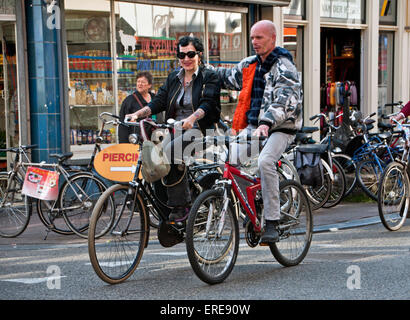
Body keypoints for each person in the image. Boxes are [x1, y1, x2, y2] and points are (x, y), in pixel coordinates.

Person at [215, 20, 303, 244]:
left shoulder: (285, 67)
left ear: (272, 39)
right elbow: (227, 78)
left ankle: (272, 221)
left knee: (265, 161)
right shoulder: (250, 65)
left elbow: (286, 100)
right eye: (252, 37)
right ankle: (252, 204)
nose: (254, 41)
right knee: (229, 161)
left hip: (281, 127)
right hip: (254, 128)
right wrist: (199, 70)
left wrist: (266, 122)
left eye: (259, 37)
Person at [126, 36, 221, 222]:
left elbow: (209, 103)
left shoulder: (209, 76)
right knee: (154, 158)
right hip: (175, 130)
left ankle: (182, 205)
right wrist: (138, 114)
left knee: (170, 151)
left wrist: (193, 118)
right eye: (181, 54)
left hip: (201, 130)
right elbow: (159, 101)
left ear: (199, 55)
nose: (186, 58)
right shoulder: (173, 78)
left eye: (190, 54)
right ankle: (165, 206)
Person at [118, 71, 156, 143]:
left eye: (143, 82)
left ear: (149, 85)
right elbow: (123, 124)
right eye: (138, 81)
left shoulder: (155, 99)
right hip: (136, 140)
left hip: (155, 139)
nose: (140, 84)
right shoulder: (129, 101)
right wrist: (124, 145)